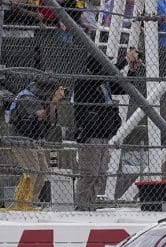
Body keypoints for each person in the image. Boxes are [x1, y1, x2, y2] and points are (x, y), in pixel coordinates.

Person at [72, 54, 127, 210]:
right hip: (90, 134)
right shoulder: (85, 80)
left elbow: (125, 88)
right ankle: (82, 206)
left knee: (101, 174)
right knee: (89, 173)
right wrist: (124, 62)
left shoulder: (104, 84)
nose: (106, 66)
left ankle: (91, 204)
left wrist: (132, 70)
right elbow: (102, 77)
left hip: (104, 133)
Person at [5, 79, 66, 206]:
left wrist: (54, 103)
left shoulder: (42, 98)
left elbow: (51, 120)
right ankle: (21, 203)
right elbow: (42, 115)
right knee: (33, 170)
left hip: (35, 139)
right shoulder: (27, 97)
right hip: (22, 139)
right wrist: (53, 101)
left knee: (43, 170)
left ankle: (31, 201)